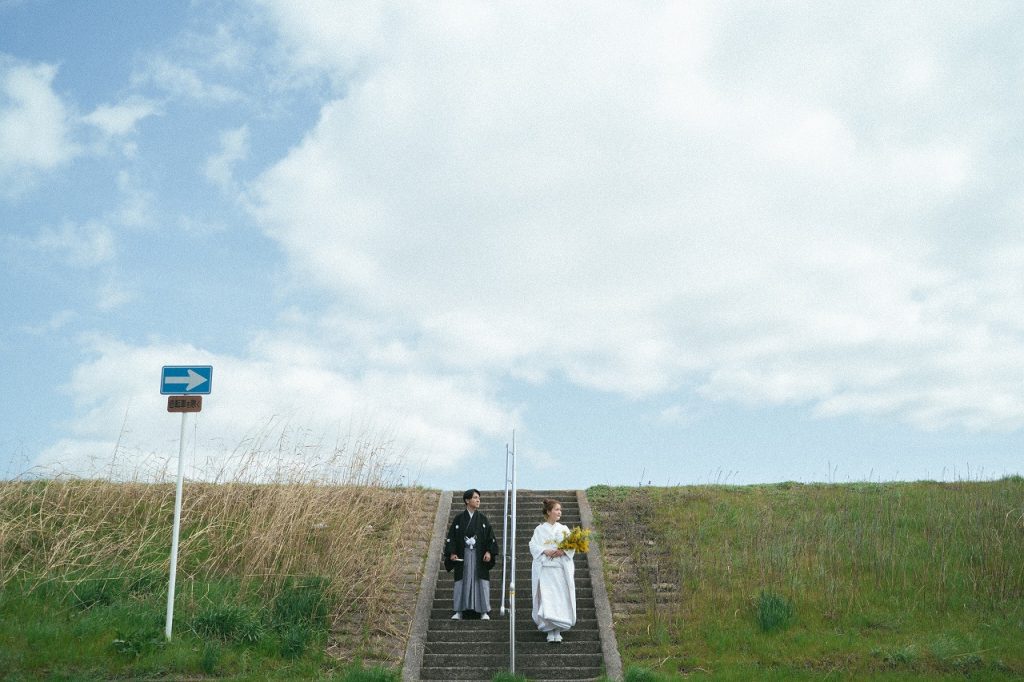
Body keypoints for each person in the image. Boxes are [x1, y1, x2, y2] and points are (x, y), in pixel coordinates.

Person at [443, 488, 498, 620]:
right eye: (475, 497)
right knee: (462, 581)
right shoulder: (459, 519)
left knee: (481, 581)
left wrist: (489, 551)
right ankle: (459, 611)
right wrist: (452, 553)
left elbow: (491, 538)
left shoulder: (483, 519)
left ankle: (483, 611)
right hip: (464, 555)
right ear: (467, 500)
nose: (478, 500)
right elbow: (451, 537)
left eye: (479, 498)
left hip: (479, 556)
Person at [529, 498, 576, 642]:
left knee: (560, 599)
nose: (559, 512)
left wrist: (563, 551)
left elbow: (572, 545)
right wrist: (544, 550)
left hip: (559, 570)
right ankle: (549, 629)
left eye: (560, 510)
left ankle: (558, 629)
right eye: (556, 509)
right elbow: (533, 545)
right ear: (548, 512)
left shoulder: (564, 529)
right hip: (546, 571)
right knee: (547, 599)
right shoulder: (539, 529)